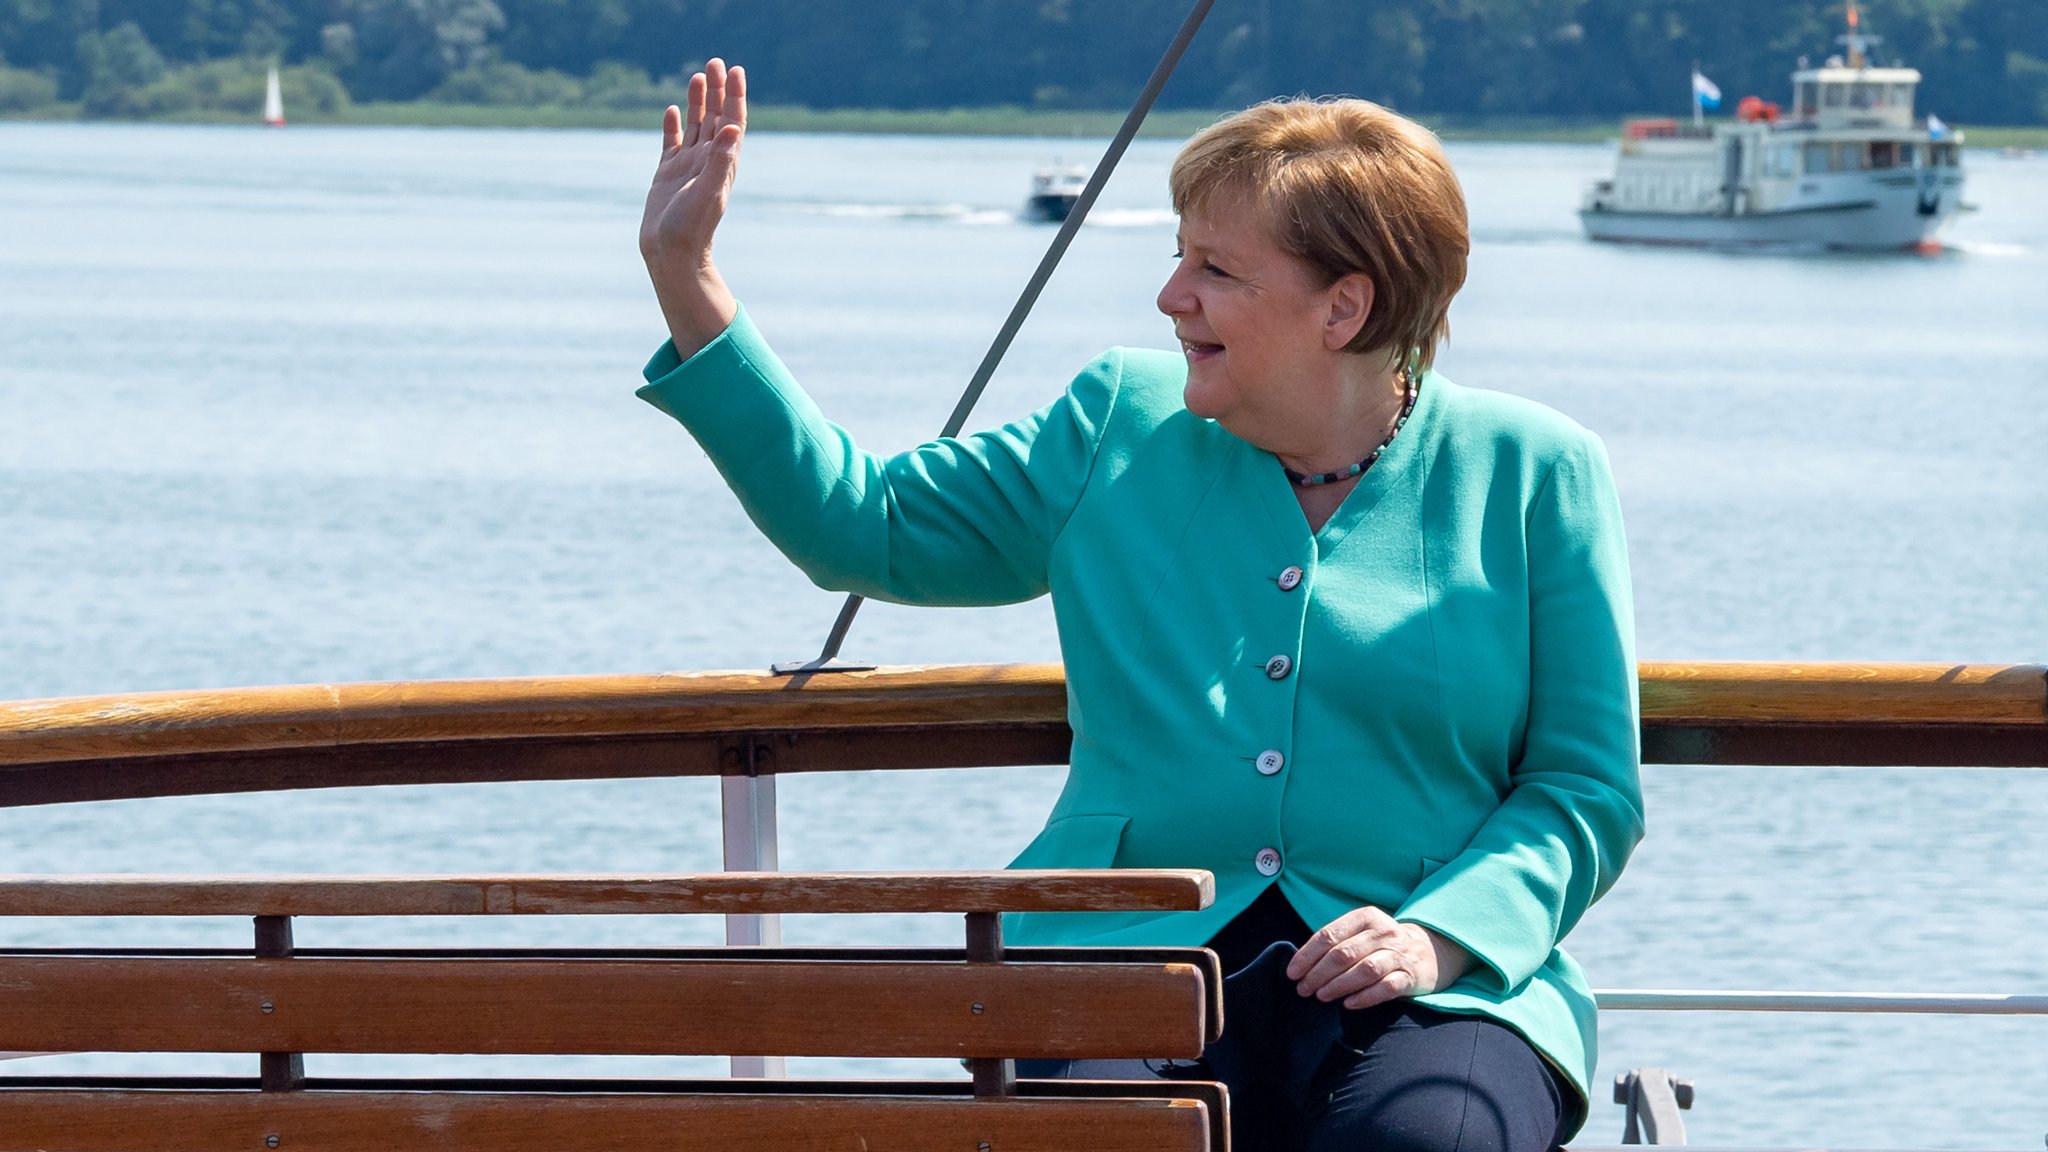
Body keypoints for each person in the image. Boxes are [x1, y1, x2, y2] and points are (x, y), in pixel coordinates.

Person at [638, 59, 1643, 1152]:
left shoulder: (1537, 470)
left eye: (1213, 269)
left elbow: (1581, 788)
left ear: (1342, 307)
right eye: (1177, 257)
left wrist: (1440, 936)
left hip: (1427, 974)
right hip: (1119, 949)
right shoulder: (1115, 420)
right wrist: (686, 276)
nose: (1171, 296)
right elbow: (860, 524)